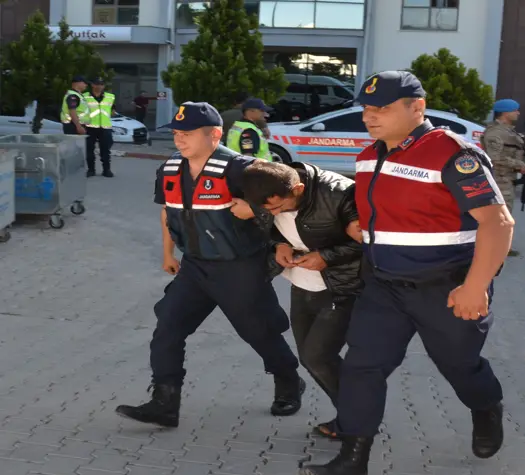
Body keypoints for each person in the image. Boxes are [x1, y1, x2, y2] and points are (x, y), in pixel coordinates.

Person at [299, 71, 510, 475]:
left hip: (446, 288)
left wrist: (475, 286)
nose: (370, 117)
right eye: (366, 109)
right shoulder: (368, 156)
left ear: (418, 107)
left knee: (459, 366)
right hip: (384, 287)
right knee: (362, 367)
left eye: (382, 108)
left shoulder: (451, 153)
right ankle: (350, 465)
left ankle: (486, 407)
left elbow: (498, 223)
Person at [114, 102, 305, 428]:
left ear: (214, 135)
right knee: (168, 327)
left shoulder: (243, 170)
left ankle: (288, 379)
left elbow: (286, 202)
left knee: (258, 331)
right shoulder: (170, 169)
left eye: (187, 133)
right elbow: (167, 212)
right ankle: (164, 403)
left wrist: (260, 216)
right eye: (176, 133)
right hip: (195, 267)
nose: (179, 139)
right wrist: (167, 254)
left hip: (240, 267)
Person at [239, 159, 363, 440]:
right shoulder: (267, 190)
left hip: (342, 286)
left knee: (317, 356)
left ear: (298, 189)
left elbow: (371, 240)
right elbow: (268, 226)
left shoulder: (340, 193)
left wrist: (326, 256)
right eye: (268, 209)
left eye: (279, 207)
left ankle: (358, 421)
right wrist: (278, 244)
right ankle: (353, 417)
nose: (274, 213)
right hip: (301, 283)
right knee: (311, 358)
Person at [481, 98, 525, 255]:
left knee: (503, 214)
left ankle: (500, 246)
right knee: (500, 215)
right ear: (505, 113)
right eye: (515, 110)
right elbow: (494, 158)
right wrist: (518, 164)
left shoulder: (508, 131)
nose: (518, 113)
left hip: (507, 178)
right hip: (499, 179)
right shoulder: (495, 133)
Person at [83, 77, 116, 177]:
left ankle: (106, 170)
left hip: (105, 127)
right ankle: (91, 170)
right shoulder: (84, 97)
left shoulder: (110, 97)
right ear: (92, 85)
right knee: (89, 150)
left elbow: (112, 110)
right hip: (89, 127)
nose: (100, 86)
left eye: (102, 84)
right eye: (97, 84)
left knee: (105, 150)